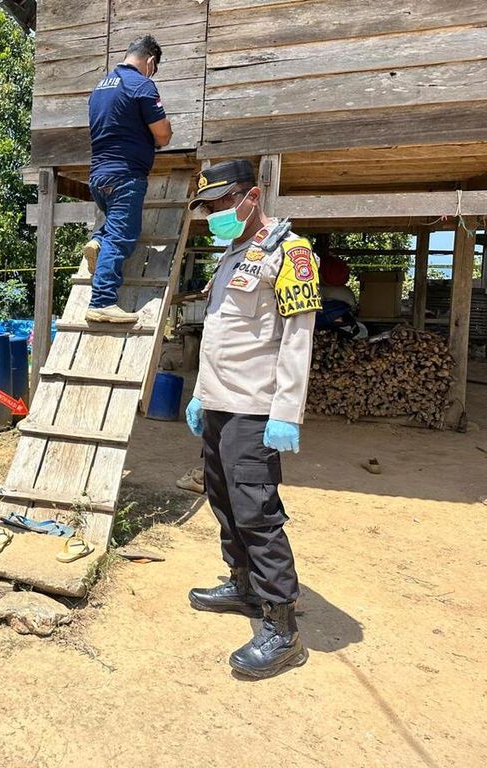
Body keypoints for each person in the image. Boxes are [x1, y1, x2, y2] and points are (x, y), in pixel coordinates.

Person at [183, 159, 321, 678]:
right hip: (219, 404)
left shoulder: (291, 253)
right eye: (209, 207)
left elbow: (297, 338)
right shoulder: (234, 254)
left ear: (252, 196)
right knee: (222, 501)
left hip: (254, 409)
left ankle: (283, 629)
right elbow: (220, 335)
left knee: (257, 515)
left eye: (222, 203)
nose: (215, 214)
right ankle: (241, 585)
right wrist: (200, 394)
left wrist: (286, 411)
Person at [84, 35, 174, 324]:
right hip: (125, 177)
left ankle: (97, 243)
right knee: (122, 238)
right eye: (154, 67)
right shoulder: (141, 85)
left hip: (99, 176)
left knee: (111, 231)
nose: (152, 73)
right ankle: (102, 301)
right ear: (149, 61)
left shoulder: (100, 88)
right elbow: (163, 134)